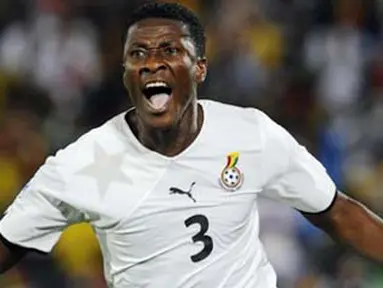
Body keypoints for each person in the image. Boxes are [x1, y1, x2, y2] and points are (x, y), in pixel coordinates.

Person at [0, 2, 382, 287]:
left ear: (199, 67)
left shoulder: (250, 134)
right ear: (126, 73)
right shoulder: (83, 163)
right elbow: (8, 241)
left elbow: (337, 213)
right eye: (138, 54)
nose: (151, 63)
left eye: (170, 50)